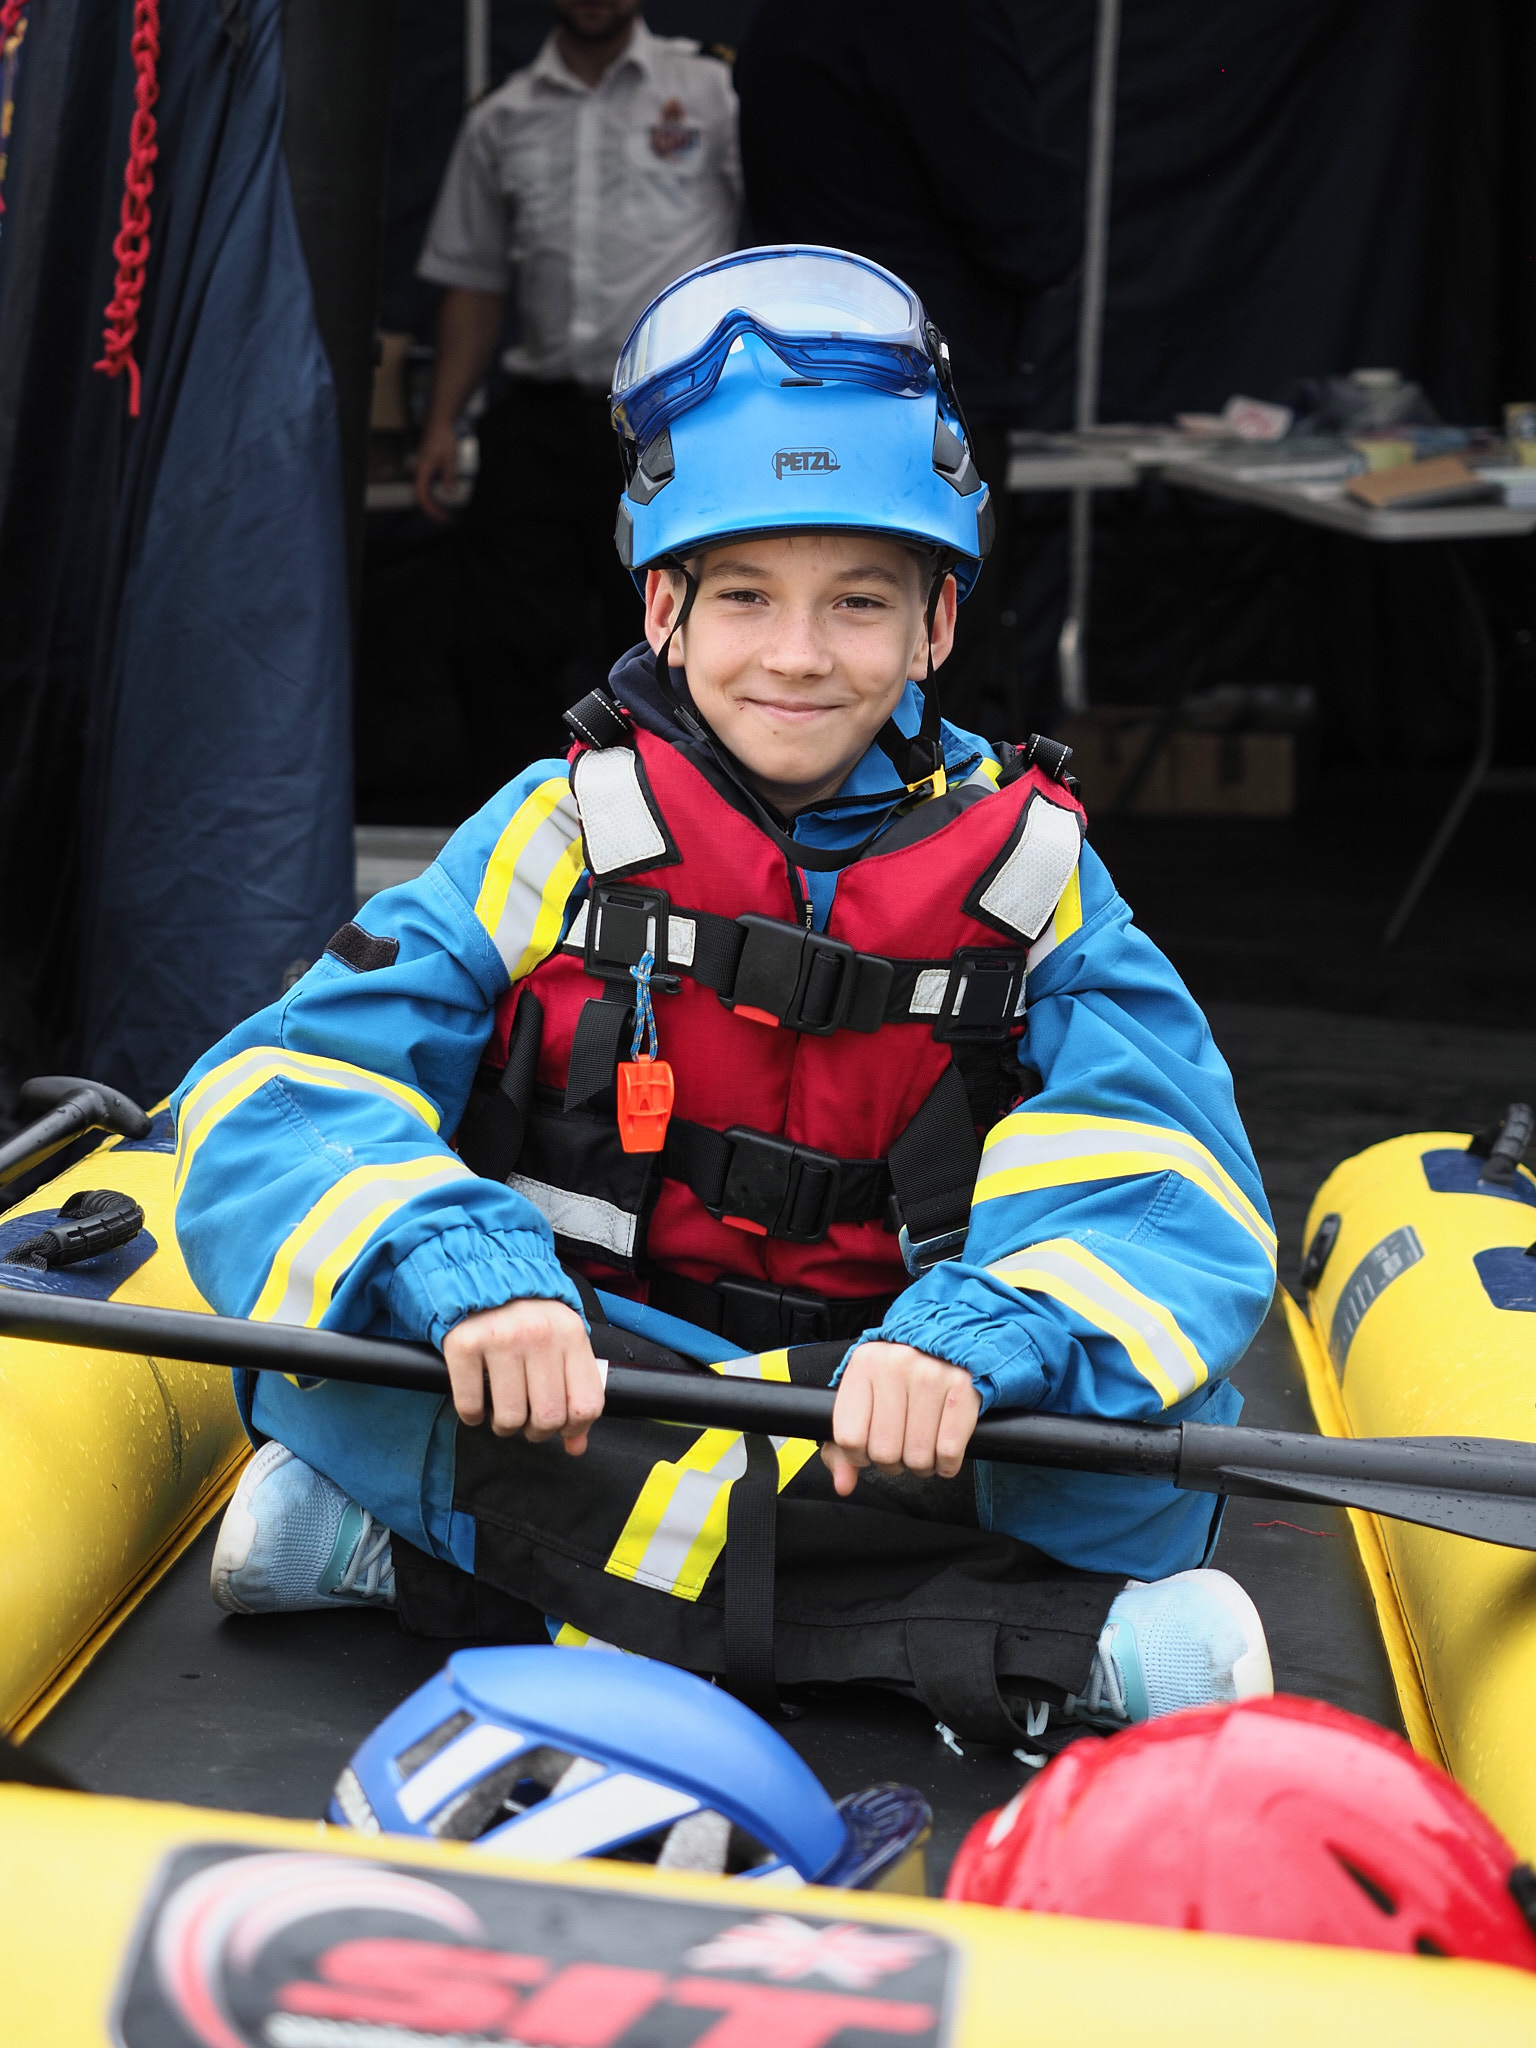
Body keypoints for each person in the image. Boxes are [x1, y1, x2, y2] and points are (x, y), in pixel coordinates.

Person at [174, 248, 1277, 1742]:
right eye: (747, 595)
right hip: (579, 1375)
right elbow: (279, 1092)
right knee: (344, 1360)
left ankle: (418, 1555)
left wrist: (980, 1333)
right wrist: (462, 1267)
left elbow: (1177, 1178)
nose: (802, 657)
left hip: (876, 1417)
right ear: (665, 610)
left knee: (1144, 1456)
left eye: (861, 602)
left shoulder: (1033, 876)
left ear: (937, 627)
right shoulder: (557, 831)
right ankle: (1031, 1646)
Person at [414, 0, 741, 778]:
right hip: (543, 418)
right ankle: (526, 827)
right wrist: (440, 423)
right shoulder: (504, 115)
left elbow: (785, 229)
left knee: (665, 637)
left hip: (679, 419)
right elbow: (474, 282)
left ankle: (675, 827)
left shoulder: (710, 90)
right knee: (497, 642)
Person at [734, 0, 1080, 733]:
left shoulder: (785, 20)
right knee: (918, 666)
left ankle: (809, 842)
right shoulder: (931, 20)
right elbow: (1024, 220)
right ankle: (919, 846)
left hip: (794, 387)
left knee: (803, 663)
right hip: (919, 396)